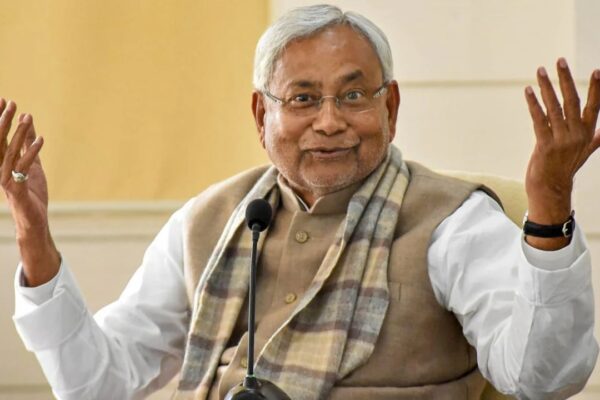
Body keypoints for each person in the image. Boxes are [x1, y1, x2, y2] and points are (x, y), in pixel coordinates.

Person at [2, 4, 599, 400]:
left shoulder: (452, 222)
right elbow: (97, 383)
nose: (330, 122)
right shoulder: (210, 220)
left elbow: (541, 377)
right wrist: (33, 233)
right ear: (261, 115)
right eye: (304, 98)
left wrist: (549, 206)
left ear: (390, 108)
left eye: (354, 96)